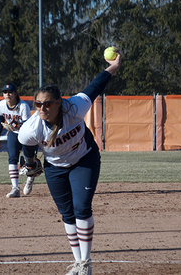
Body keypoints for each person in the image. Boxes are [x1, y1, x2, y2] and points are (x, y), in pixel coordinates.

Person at [18, 49, 122, 275]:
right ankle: (78, 263)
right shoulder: (31, 128)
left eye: (46, 104)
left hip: (84, 159)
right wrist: (30, 163)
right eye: (37, 104)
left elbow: (96, 86)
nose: (41, 108)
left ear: (58, 103)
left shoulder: (75, 107)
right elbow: (27, 148)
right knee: (66, 213)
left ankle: (86, 264)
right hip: (55, 167)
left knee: (81, 208)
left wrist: (113, 67)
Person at [0, 83, 37, 198]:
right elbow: (0, 119)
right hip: (13, 134)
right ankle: (15, 188)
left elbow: (27, 125)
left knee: (29, 160)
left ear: (15, 94)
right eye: (5, 92)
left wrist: (16, 125)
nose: (7, 94)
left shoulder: (23, 106)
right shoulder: (2, 104)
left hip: (26, 135)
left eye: (10, 92)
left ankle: (30, 178)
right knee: (12, 158)